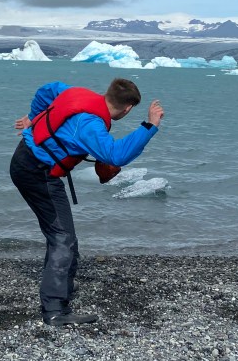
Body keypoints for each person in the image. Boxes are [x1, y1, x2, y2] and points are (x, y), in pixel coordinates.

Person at [11, 77, 164, 326]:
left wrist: (33, 117)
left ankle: (60, 289)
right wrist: (150, 125)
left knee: (61, 233)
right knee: (63, 238)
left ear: (107, 93)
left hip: (26, 159)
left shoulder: (75, 93)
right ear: (128, 109)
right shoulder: (90, 125)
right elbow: (116, 155)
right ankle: (54, 310)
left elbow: (47, 89)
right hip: (36, 172)